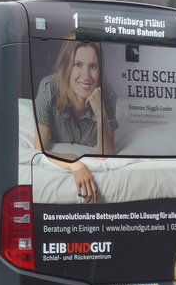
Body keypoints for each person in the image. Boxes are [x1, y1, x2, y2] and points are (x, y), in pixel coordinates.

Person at [34, 38, 117, 202]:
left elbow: (105, 157)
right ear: (67, 67)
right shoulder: (48, 88)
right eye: (78, 64)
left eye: (93, 66)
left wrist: (101, 115)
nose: (86, 76)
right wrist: (74, 163)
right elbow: (39, 150)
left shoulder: (107, 95)